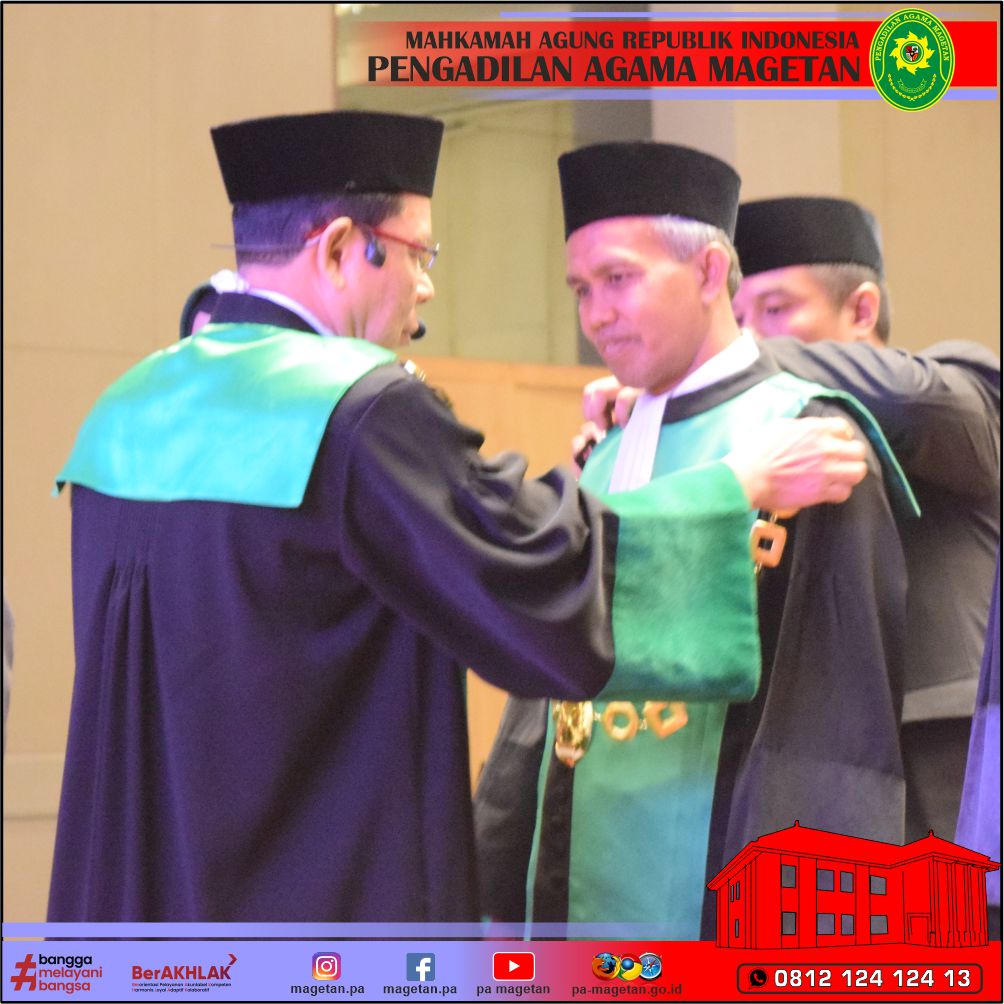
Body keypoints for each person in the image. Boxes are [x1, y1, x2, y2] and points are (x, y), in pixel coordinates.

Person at [48, 111, 866, 924]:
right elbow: (533, 569)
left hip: (141, 903)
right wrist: (732, 487)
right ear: (339, 249)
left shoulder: (127, 407)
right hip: (306, 907)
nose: (427, 286)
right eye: (418, 254)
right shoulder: (354, 411)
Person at [476, 143, 914, 937]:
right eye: (581, 289)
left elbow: (831, 734)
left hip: (715, 889)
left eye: (619, 278)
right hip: (574, 879)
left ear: (711, 272)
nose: (595, 314)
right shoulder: (604, 448)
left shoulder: (807, 437)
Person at [579, 196, 1000, 847]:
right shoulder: (752, 433)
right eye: (739, 314)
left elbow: (927, 407)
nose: (755, 332)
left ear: (861, 310)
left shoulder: (962, 388)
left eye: (775, 310)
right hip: (800, 770)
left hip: (945, 760)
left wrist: (717, 356)